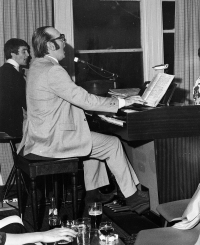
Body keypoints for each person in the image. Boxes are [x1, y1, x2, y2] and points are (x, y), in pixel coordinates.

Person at [17, 26, 149, 212]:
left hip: (39, 136)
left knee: (89, 139)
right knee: (112, 144)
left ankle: (93, 194)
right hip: (52, 141)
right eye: (61, 38)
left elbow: (63, 99)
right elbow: (84, 100)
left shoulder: (36, 66)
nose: (65, 42)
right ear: (49, 44)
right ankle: (134, 198)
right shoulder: (53, 70)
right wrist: (121, 102)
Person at [0, 38, 30, 137]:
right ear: (13, 53)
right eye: (24, 51)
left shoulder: (2, 71)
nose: (28, 55)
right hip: (12, 128)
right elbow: (26, 104)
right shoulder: (16, 75)